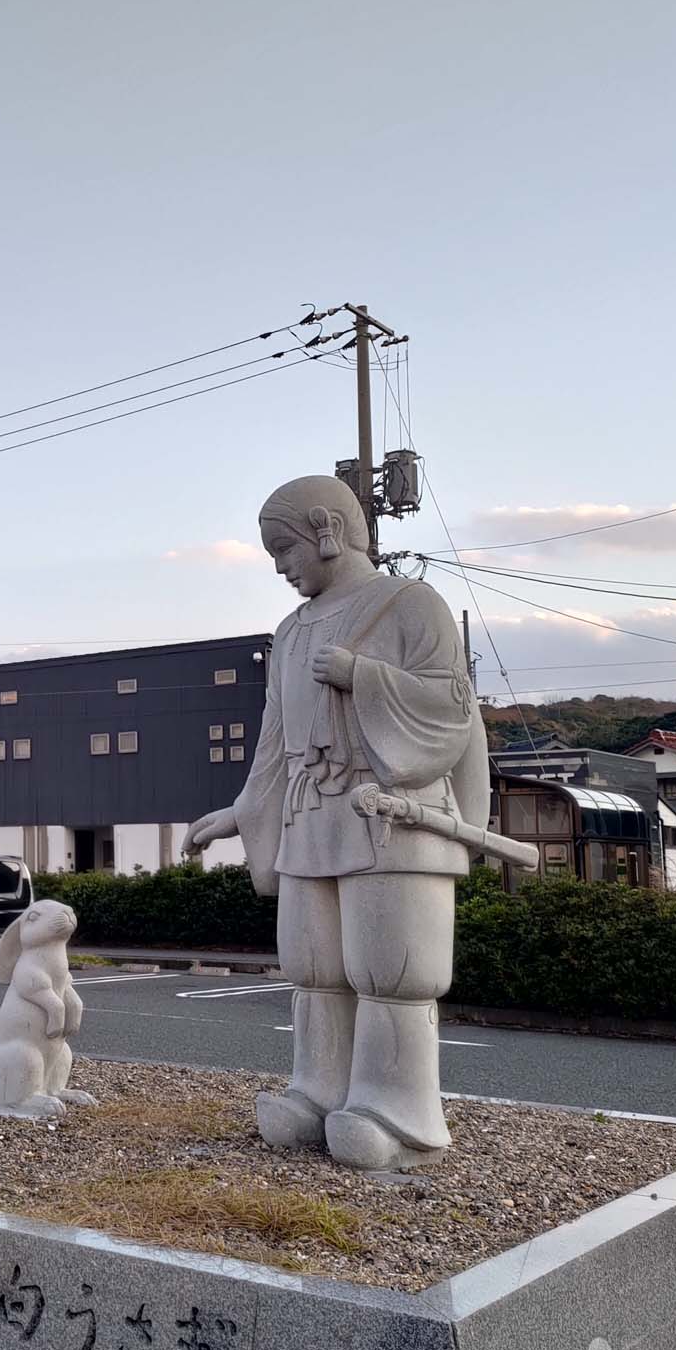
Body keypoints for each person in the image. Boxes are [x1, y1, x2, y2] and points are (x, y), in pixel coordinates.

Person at [183, 475, 488, 1169]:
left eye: (285, 548)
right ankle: (319, 1088)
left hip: (392, 817)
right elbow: (275, 744)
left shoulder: (412, 605)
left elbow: (451, 709)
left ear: (328, 529)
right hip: (307, 817)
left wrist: (361, 675)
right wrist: (242, 811)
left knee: (392, 969)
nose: (281, 567)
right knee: (313, 965)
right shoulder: (288, 635)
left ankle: (397, 1108)